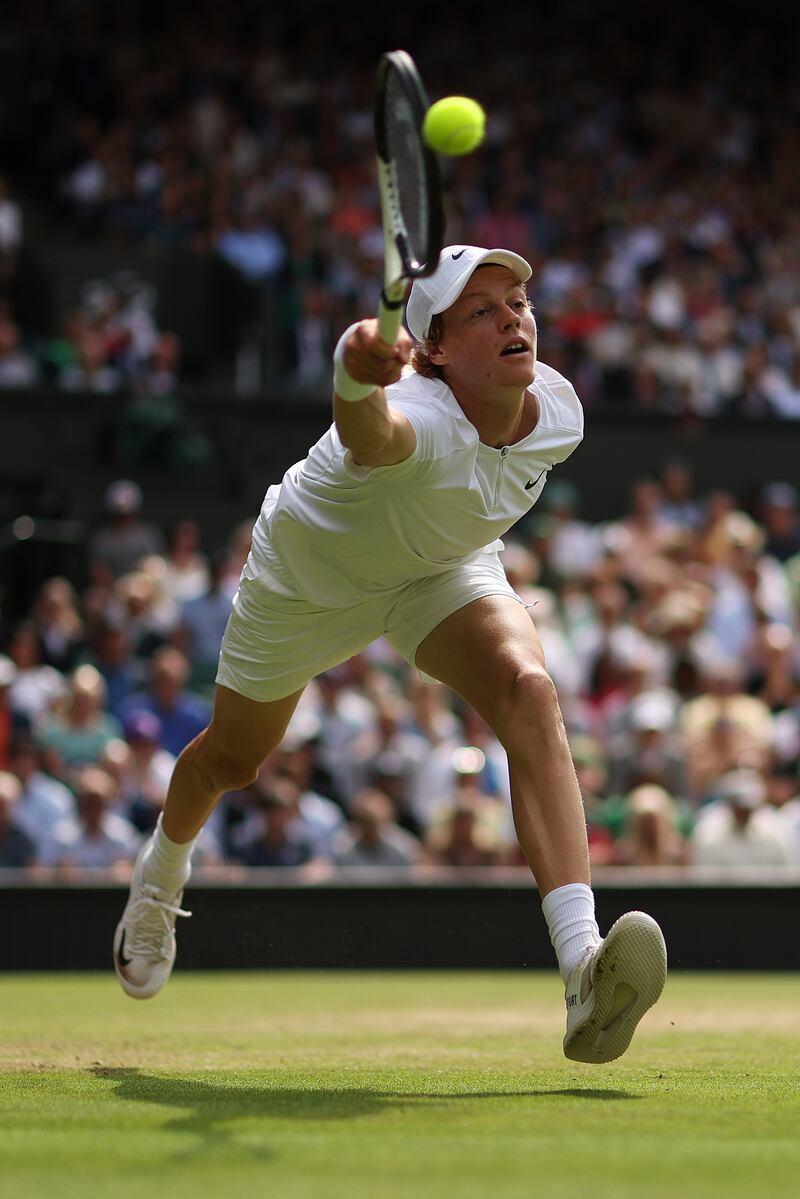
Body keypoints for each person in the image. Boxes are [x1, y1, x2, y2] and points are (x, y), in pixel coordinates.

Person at [114, 243, 667, 1063]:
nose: (514, 316)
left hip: (439, 568)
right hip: (308, 583)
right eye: (483, 309)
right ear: (434, 349)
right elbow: (373, 434)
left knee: (530, 691)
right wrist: (350, 371)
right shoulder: (422, 417)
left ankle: (583, 966)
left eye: (518, 301)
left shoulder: (557, 414)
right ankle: (160, 878)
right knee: (231, 762)